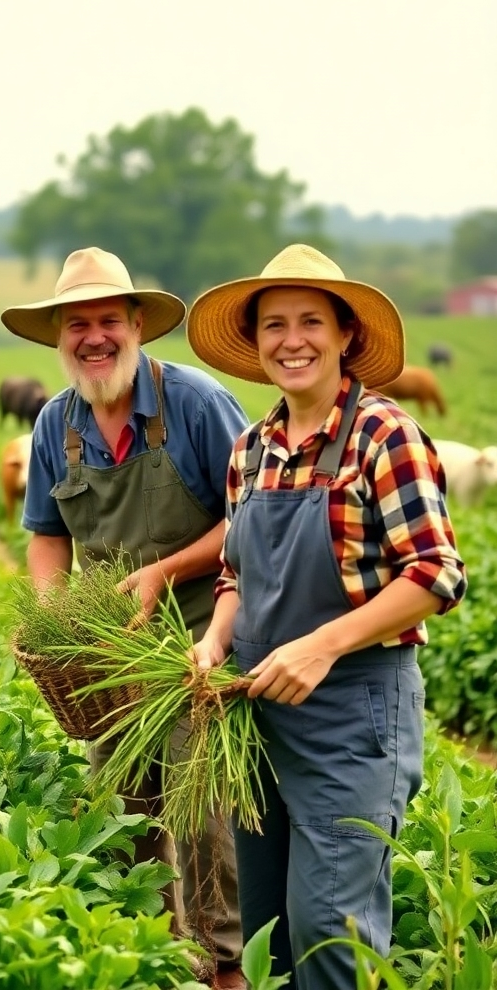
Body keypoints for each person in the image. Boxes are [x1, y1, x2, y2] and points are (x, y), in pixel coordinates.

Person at [186, 244, 466, 989]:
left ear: (346, 335)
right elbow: (235, 571)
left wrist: (322, 646)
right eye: (274, 325)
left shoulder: (385, 435)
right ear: (256, 343)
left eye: (312, 321)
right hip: (257, 715)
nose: (293, 340)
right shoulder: (251, 449)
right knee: (267, 935)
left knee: (328, 931)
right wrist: (214, 639)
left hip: (352, 711)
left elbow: (436, 574)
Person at [2, 247, 249, 988]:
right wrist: (55, 618)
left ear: (137, 325)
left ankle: (222, 967)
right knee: (121, 810)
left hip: (205, 640)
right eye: (77, 324)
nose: (94, 336)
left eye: (109, 319)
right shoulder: (56, 424)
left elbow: (254, 518)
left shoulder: (196, 403)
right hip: (114, 655)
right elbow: (47, 534)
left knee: (201, 812)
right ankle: (146, 955)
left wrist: (165, 573)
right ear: (58, 338)